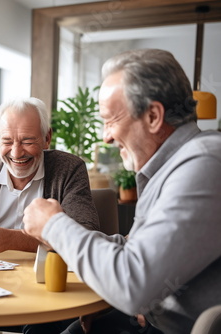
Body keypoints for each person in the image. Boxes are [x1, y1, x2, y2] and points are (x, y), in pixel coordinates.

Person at [23, 49, 221, 334]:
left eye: (110, 120)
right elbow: (136, 250)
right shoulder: (170, 167)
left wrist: (55, 225)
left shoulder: (204, 165)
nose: (106, 136)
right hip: (149, 317)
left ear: (153, 115)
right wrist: (61, 238)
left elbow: (132, 281)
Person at [0, 97, 100, 334]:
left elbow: (85, 235)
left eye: (27, 141)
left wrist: (11, 239)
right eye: (7, 141)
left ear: (47, 138)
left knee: (45, 319)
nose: (15, 152)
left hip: (42, 284)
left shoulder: (69, 169)